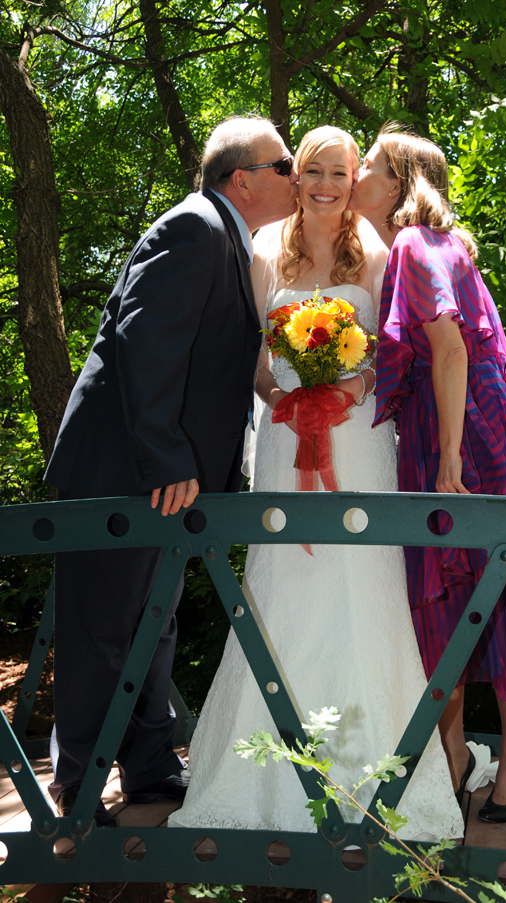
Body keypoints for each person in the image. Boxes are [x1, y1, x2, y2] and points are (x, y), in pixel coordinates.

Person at [169, 126, 464, 840]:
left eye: (340, 171)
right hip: (281, 441)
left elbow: (395, 354)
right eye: (313, 171)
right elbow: (250, 358)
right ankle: (262, 779)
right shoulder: (264, 251)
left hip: (360, 441)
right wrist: (282, 398)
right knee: (283, 587)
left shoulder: (380, 249)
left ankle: (375, 772)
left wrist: (351, 382)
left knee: (363, 586)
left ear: (350, 175)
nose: (328, 184)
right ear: (295, 177)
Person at [44, 116, 298, 825]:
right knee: (101, 625)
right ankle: (81, 784)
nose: (295, 176)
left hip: (163, 477)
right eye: (284, 166)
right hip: (125, 470)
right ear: (241, 179)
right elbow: (143, 341)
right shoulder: (195, 228)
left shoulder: (226, 239)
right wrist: (168, 457)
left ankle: (150, 768)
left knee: (152, 624)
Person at [349, 126, 506, 823]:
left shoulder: (416, 242)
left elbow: (447, 346)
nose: (357, 176)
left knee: (485, 588)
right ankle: (461, 755)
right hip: (462, 428)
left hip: (468, 436)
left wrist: (447, 454)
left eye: (372, 167)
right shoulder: (433, 246)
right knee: (469, 592)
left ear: (402, 182)